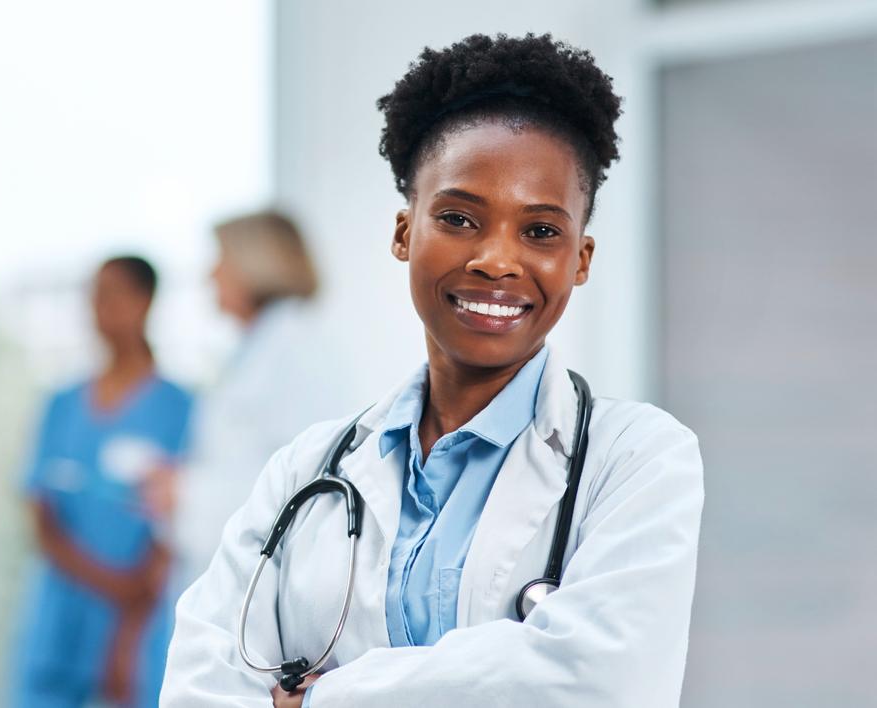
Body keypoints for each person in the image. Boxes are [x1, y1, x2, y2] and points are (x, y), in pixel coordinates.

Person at [161, 34, 704, 707]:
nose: (496, 260)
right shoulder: (305, 470)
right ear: (403, 231)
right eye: (457, 218)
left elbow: (599, 681)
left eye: (539, 231)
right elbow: (199, 687)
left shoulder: (637, 460)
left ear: (580, 259)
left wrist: (327, 699)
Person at [14, 256, 194, 708]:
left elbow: (181, 522)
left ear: (144, 301)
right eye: (93, 295)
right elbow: (40, 513)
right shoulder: (61, 405)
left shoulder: (180, 409)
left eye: (111, 294)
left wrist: (128, 615)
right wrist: (109, 583)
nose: (98, 307)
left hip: (138, 619)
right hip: (59, 613)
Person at [142, 210, 351, 581]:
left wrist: (187, 493)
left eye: (220, 260)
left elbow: (311, 483)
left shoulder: (297, 347)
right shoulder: (258, 349)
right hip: (234, 573)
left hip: (268, 583)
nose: (211, 275)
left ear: (254, 264)